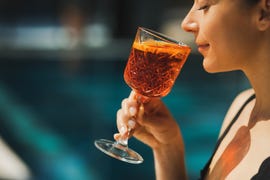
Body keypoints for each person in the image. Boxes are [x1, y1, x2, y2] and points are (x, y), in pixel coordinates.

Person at [114, 0, 270, 179]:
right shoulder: (242, 107)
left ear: (264, 12)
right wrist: (167, 147)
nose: (186, 23)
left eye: (204, 6)